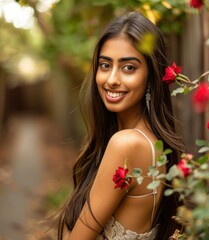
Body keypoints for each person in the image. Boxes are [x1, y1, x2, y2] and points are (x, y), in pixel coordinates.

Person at [57, 11, 185, 240]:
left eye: (128, 68)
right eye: (105, 65)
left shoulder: (126, 144)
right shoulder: (153, 142)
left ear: (151, 76)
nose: (112, 79)